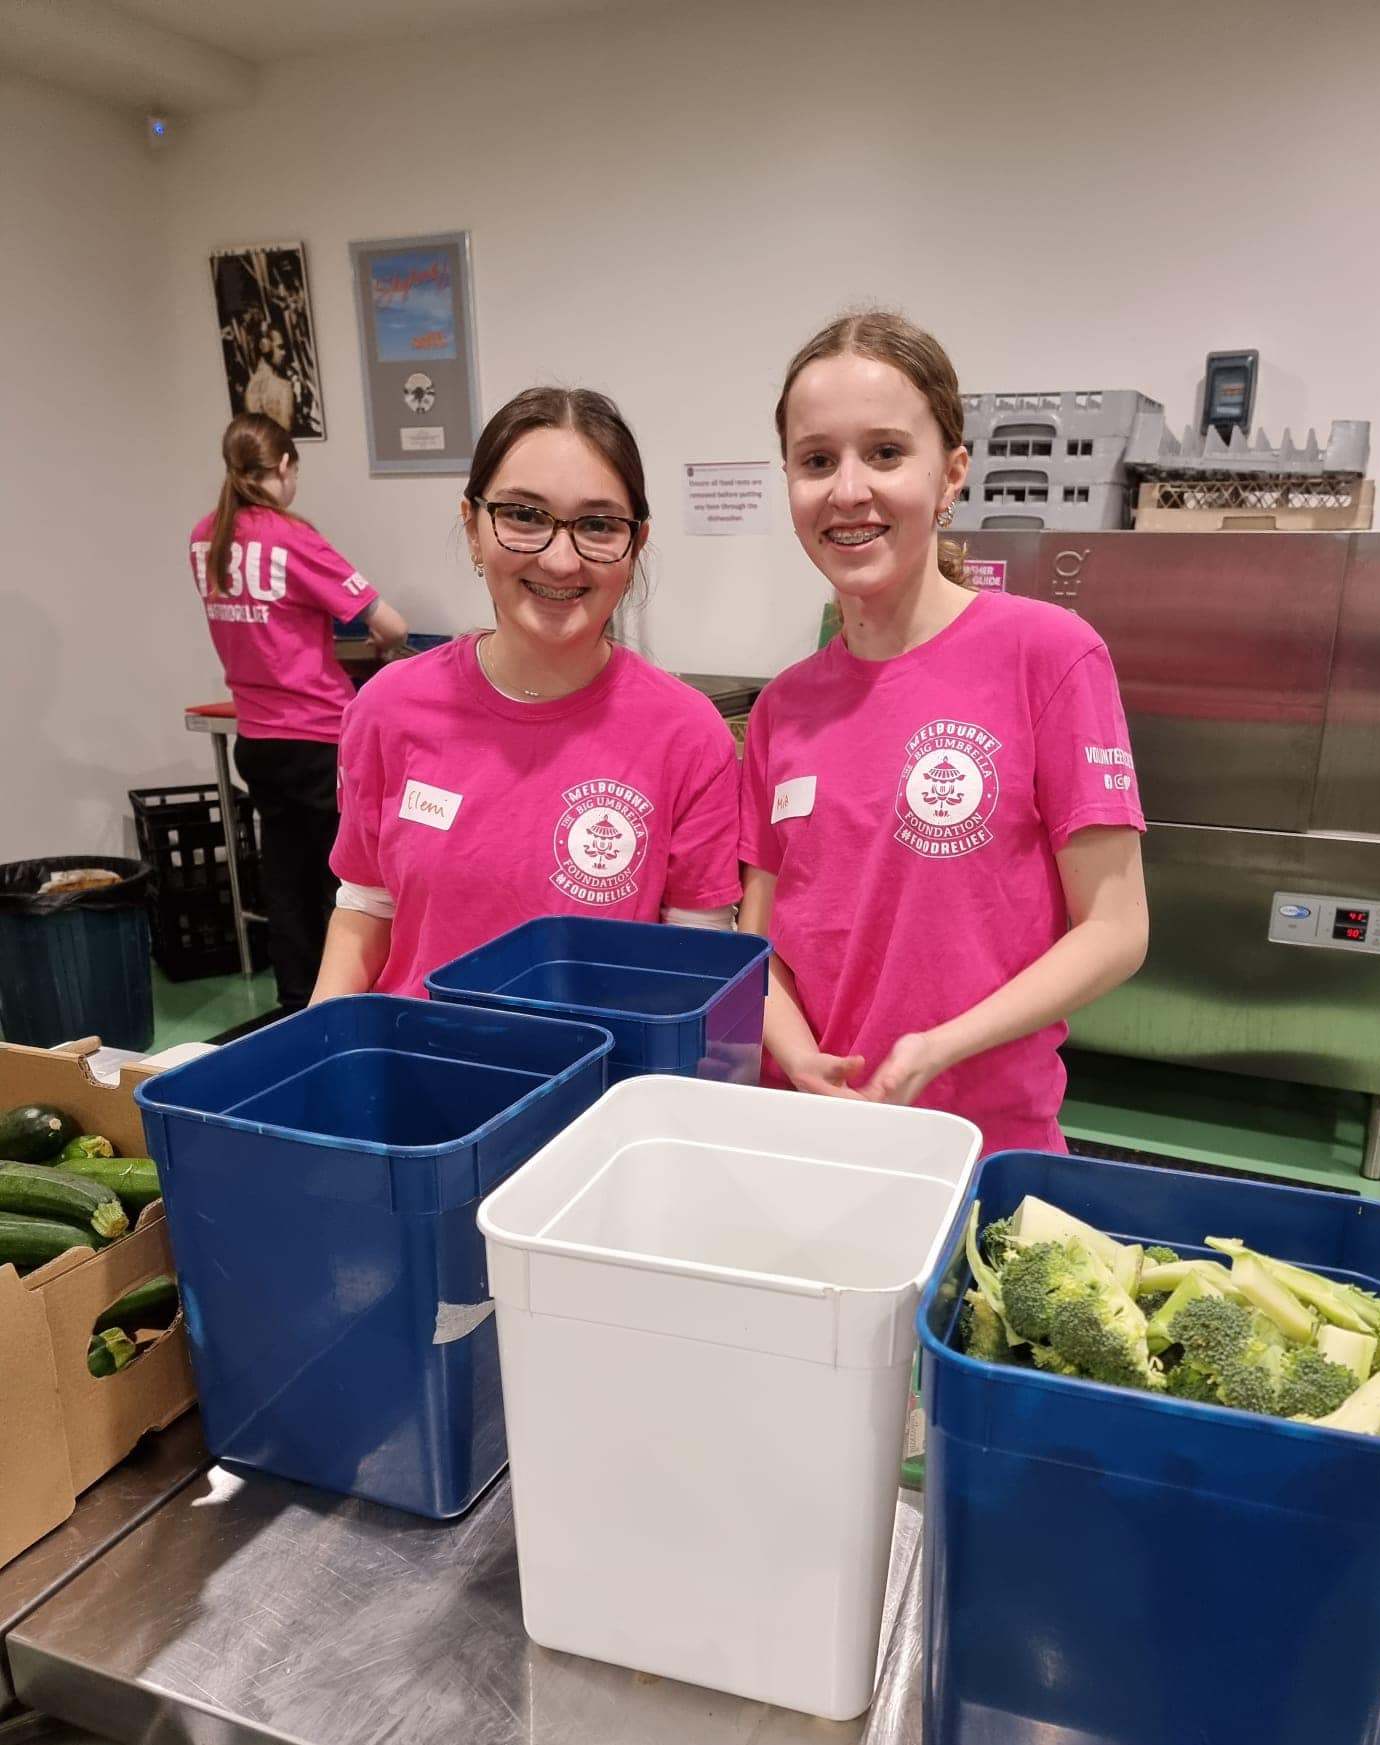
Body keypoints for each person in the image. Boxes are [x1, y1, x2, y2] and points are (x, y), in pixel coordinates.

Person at [738, 311, 1149, 1155]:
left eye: (885, 453)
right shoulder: (783, 706)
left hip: (980, 1143)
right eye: (817, 461)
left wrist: (941, 1046)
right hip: (809, 1132)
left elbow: (1115, 929)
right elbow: (759, 942)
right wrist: (799, 1055)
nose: (848, 490)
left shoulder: (1048, 656)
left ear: (952, 472)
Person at [310, 387, 741, 1001]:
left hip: (600, 1064)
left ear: (635, 545)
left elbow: (694, 968)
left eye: (597, 525)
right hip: (416, 1052)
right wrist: (322, 1039)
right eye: (524, 516)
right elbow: (365, 908)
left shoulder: (688, 736)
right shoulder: (387, 709)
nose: (560, 561)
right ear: (473, 527)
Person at [189, 414, 410, 1011]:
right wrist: (381, 645)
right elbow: (392, 625)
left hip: (256, 735)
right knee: (343, 882)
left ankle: (293, 1002)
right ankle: (342, 1005)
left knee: (284, 875)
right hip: (317, 735)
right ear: (285, 465)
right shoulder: (290, 537)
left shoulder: (206, 537)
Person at [243, 322, 296, 431]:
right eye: (280, 347)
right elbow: (285, 432)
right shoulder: (284, 387)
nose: (284, 353)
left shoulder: (249, 387)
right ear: (266, 348)